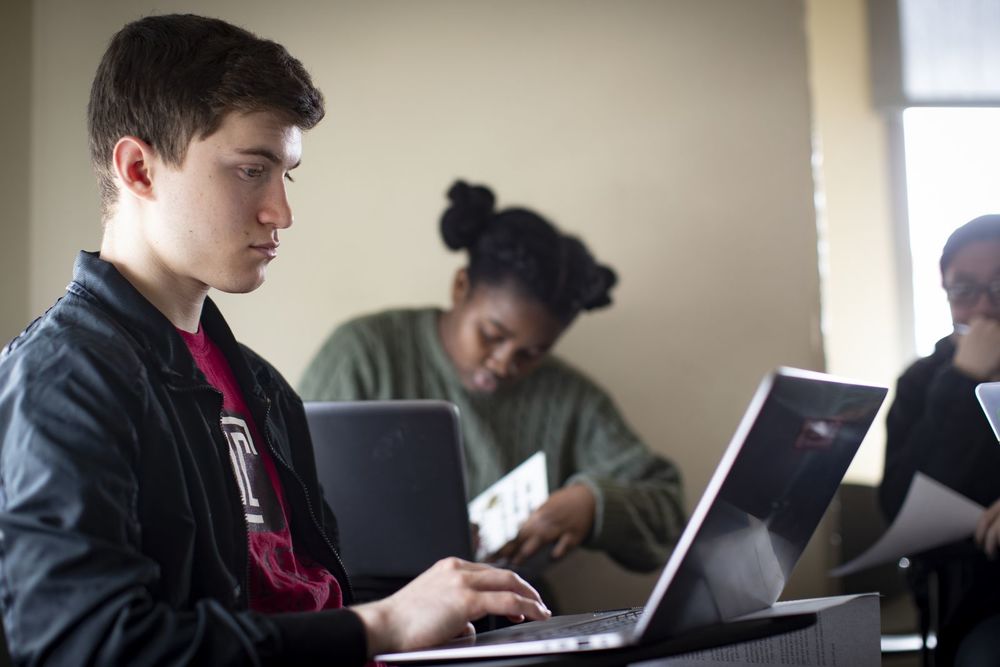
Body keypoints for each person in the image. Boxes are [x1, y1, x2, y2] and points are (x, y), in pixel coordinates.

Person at [0, 15, 549, 666]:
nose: (282, 212)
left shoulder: (260, 387)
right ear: (139, 169)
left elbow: (309, 593)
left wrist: (441, 613)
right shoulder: (64, 377)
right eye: (251, 170)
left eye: (287, 174)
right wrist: (378, 627)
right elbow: (85, 643)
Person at [299, 180, 685, 578]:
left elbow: (668, 507)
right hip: (373, 611)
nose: (504, 364)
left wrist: (593, 505)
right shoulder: (364, 353)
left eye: (532, 354)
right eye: (492, 335)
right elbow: (289, 493)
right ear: (460, 287)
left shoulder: (569, 398)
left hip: (506, 615)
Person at [879, 214, 1000, 666]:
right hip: (978, 596)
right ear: (946, 294)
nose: (984, 309)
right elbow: (899, 506)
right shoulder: (923, 381)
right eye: (964, 291)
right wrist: (963, 379)